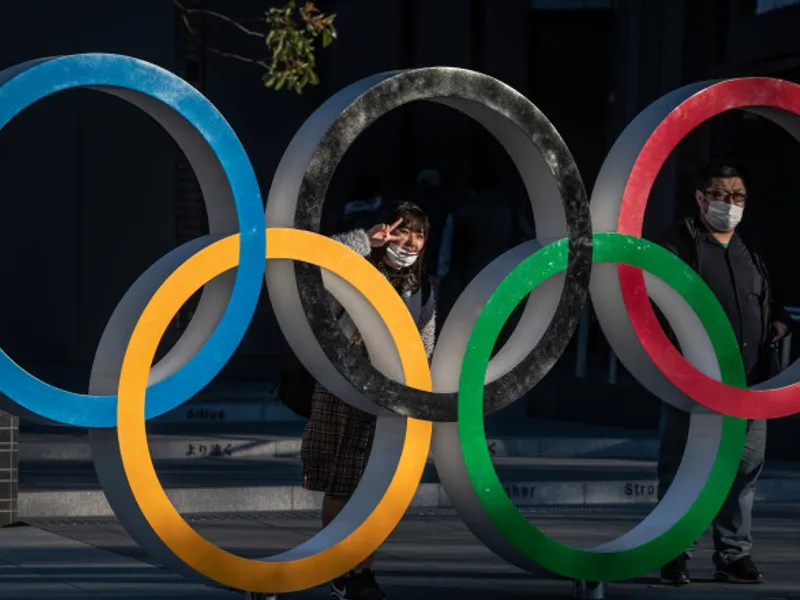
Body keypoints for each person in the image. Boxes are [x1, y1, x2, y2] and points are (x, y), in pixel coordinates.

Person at [656, 164, 790, 586]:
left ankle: (733, 555)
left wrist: (778, 319)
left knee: (744, 471)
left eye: (738, 197)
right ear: (700, 198)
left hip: (750, 385)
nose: (729, 205)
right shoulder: (679, 246)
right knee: (685, 468)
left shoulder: (749, 252)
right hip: (696, 382)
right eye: (721, 195)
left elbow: (761, 302)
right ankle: (674, 551)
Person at [300, 201, 436, 600]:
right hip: (343, 384)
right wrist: (364, 240)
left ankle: (363, 570)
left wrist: (416, 394)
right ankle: (339, 568)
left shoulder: (422, 286)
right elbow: (312, 261)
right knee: (342, 482)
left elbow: (425, 344)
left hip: (389, 395)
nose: (410, 241)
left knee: (375, 486)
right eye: (403, 231)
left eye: (418, 234)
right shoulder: (357, 268)